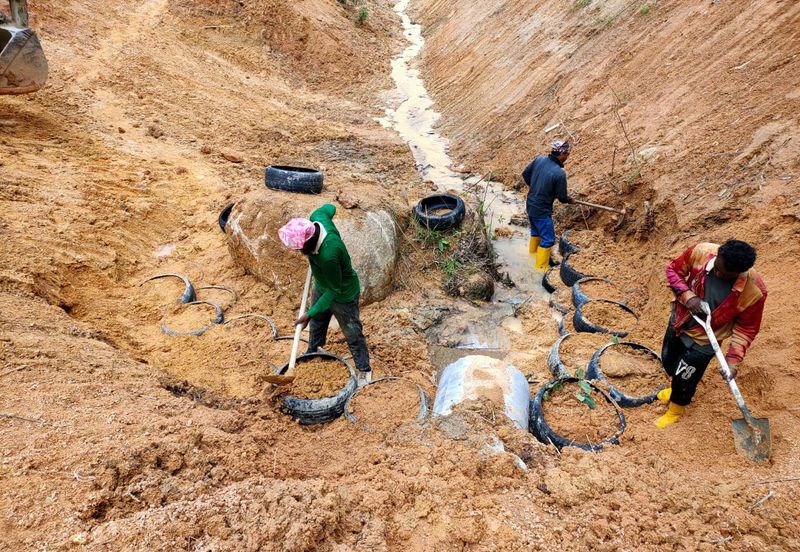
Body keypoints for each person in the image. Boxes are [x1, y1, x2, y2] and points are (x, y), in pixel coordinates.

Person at [656, 240, 767, 428]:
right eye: (717, 268)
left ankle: (676, 408)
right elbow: (673, 271)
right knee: (668, 360)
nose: (717, 274)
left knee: (686, 377)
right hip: (681, 319)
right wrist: (687, 296)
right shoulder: (701, 252)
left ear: (739, 272)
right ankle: (674, 387)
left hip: (706, 339)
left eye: (724, 275)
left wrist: (733, 363)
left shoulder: (754, 291)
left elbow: (746, 329)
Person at [278, 204, 372, 384]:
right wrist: (314, 314)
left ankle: (364, 369)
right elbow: (330, 207)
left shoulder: (328, 255)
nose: (298, 252)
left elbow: (334, 290)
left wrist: (309, 312)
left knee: (352, 332)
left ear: (310, 243)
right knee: (317, 324)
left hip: (342, 293)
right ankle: (313, 352)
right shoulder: (318, 217)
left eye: (299, 249)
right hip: (322, 285)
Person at [522, 140, 575, 271]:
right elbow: (562, 197)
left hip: (530, 204)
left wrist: (535, 187)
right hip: (542, 210)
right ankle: (540, 268)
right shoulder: (559, 173)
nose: (568, 156)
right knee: (548, 239)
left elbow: (525, 174)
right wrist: (570, 200)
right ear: (561, 153)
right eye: (567, 154)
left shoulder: (539, 159)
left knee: (536, 231)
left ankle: (532, 256)